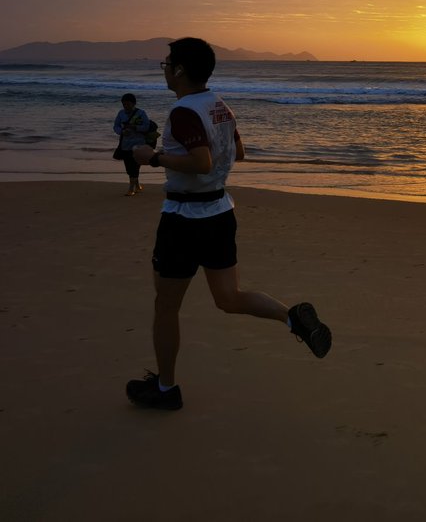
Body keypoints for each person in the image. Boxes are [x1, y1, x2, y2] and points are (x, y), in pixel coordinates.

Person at [125, 37, 331, 411]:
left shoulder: (184, 111)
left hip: (184, 219)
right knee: (228, 297)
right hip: (220, 212)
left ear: (181, 70)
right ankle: (292, 318)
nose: (165, 69)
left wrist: (152, 157)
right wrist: (190, 155)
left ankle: (166, 389)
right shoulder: (221, 107)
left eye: (167, 63)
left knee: (166, 307)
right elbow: (238, 151)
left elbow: (201, 161)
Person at [113, 93, 152, 196]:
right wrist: (122, 131)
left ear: (133, 103)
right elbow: (116, 126)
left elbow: (147, 127)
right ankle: (137, 185)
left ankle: (131, 188)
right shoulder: (121, 113)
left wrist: (135, 128)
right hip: (125, 145)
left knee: (135, 166)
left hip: (139, 144)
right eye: (124, 104)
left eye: (128, 104)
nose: (126, 107)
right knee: (128, 167)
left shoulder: (141, 113)